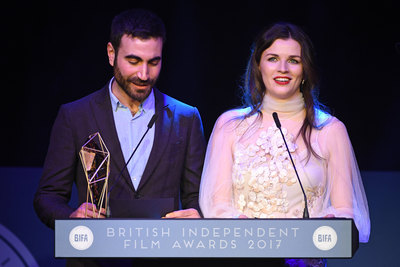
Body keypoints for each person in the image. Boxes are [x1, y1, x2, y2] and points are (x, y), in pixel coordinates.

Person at [199, 22, 370, 266]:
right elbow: (216, 206)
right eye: (272, 58)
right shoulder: (230, 125)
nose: (282, 69)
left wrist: (320, 230)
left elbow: (346, 212)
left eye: (293, 60)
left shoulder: (330, 130)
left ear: (304, 70)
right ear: (258, 65)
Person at [34, 8, 206, 230]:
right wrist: (70, 219)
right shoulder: (75, 116)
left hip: (161, 255)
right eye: (133, 61)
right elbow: (48, 197)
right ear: (111, 53)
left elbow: (197, 198)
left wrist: (198, 215)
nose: (144, 74)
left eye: (153, 62)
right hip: (96, 258)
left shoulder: (186, 118)